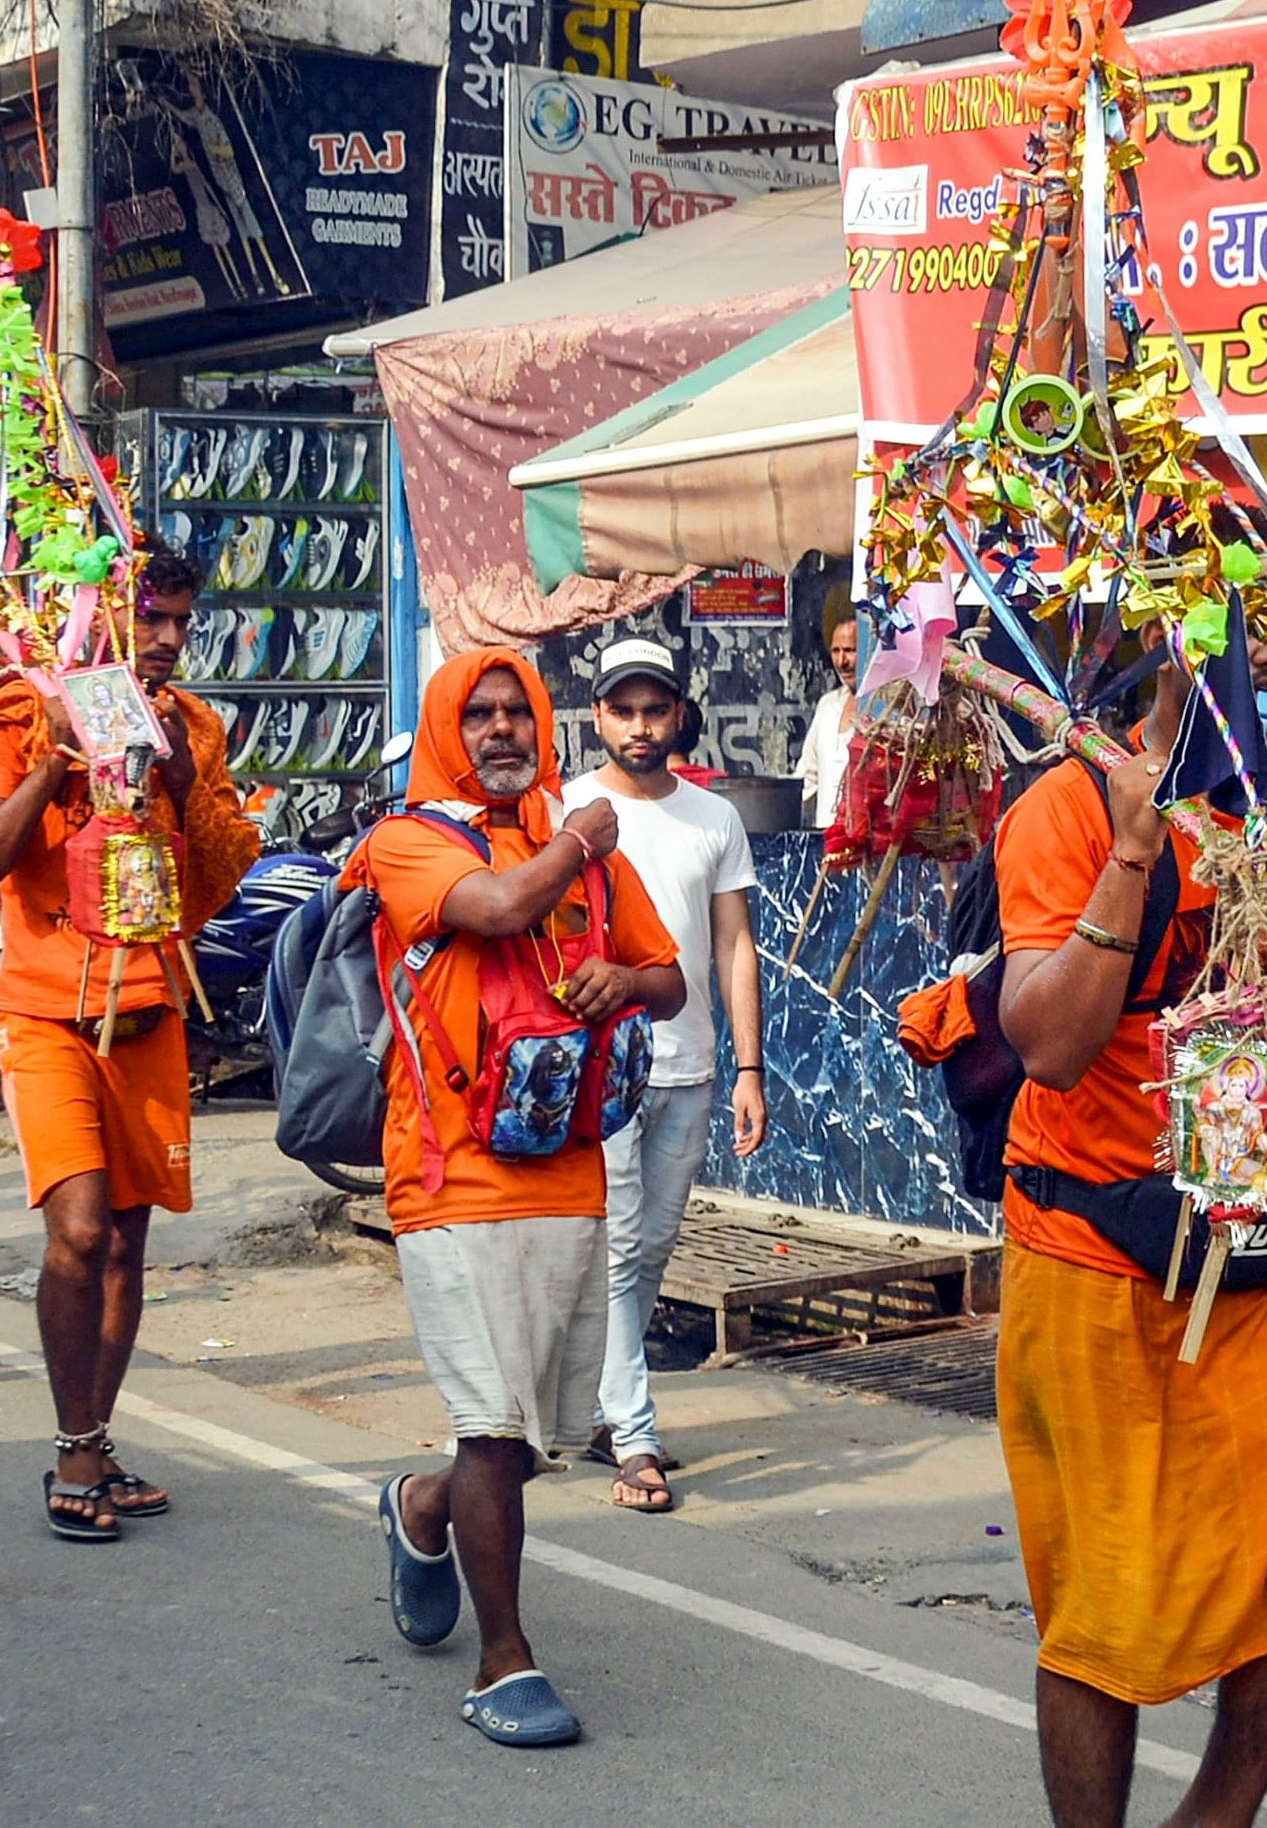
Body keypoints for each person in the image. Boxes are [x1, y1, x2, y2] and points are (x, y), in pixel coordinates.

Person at [990, 654, 1267, 1828]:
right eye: (1207, 651)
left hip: (1255, 1254)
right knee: (1107, 1612)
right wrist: (1134, 851)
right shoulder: (1068, 807)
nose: (1241, 674)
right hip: (1091, 1252)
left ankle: (1213, 1818)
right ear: (1157, 669)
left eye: (1257, 652)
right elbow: (1047, 1048)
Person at [360, 648, 684, 1749]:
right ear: (450, 728)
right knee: (495, 1432)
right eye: (480, 714)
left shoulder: (582, 851)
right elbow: (496, 909)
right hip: (448, 1179)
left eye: (517, 712)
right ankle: (505, 1661)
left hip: (569, 1166)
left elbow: (670, 976)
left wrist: (623, 981)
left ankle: (419, 1507)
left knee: (528, 1433)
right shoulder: (406, 840)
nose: (502, 729)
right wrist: (576, 839)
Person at [0, 549, 258, 1540]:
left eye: (180, 622)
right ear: (97, 619)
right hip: (46, 1015)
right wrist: (56, 758)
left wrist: (186, 776)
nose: (166, 641)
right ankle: (74, 1442)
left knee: (126, 1243)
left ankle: (97, 1435)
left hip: (152, 1013)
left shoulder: (192, 725)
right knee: (76, 1230)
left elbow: (215, 884)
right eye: (149, 619)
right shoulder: (16, 713)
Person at [561, 636, 770, 1514]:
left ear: (680, 712)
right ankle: (634, 1434)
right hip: (602, 1061)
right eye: (624, 710)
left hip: (688, 1065)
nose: (641, 728)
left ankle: (601, 1403)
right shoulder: (565, 810)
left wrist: (749, 1067)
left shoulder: (713, 817)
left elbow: (733, 944)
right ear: (599, 716)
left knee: (649, 1245)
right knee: (616, 1246)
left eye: (655, 710)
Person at [800, 607, 858, 826]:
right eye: (836, 651)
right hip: (827, 841)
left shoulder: (888, 707)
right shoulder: (827, 706)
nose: (842, 662)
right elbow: (807, 777)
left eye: (850, 650)